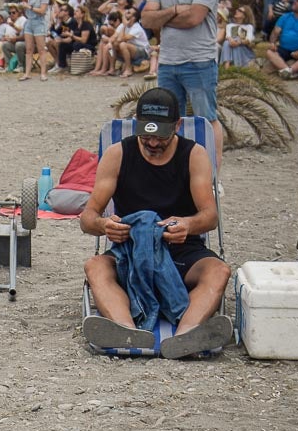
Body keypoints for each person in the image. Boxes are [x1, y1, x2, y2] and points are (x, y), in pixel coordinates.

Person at [81, 87, 231, 359]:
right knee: (95, 266)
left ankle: (186, 336)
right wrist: (105, 226)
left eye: (160, 136)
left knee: (219, 271)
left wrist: (187, 224)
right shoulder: (118, 154)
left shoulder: (194, 155)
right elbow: (88, 217)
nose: (152, 143)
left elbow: (210, 216)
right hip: (131, 250)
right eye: (145, 135)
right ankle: (126, 330)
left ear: (177, 125)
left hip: (181, 249)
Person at [140, 0, 224, 169]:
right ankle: (176, 171)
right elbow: (146, 18)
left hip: (198, 60)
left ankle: (212, 175)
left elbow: (195, 18)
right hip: (168, 62)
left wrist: (163, 17)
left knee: (206, 118)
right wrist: (176, 10)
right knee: (167, 120)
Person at [20, 0, 51, 81]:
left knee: (41, 49)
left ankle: (43, 73)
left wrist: (30, 7)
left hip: (39, 23)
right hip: (29, 22)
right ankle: (27, 73)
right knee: (28, 49)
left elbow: (42, 10)